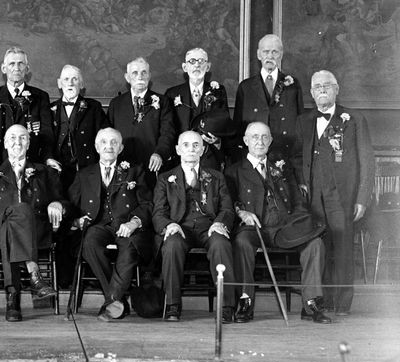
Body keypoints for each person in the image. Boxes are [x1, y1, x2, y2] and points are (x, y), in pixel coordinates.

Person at [225, 122, 331, 324]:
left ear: (271, 141)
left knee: (315, 244)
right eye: (255, 137)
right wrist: (242, 212)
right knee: (241, 243)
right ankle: (245, 301)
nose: (260, 141)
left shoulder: (282, 168)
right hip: (254, 228)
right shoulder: (234, 171)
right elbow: (228, 203)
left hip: (285, 227)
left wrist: (300, 222)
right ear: (246, 141)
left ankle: (311, 304)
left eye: (265, 137)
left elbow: (298, 202)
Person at [293, 70, 374, 315]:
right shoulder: (303, 121)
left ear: (337, 89)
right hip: (313, 197)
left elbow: (367, 161)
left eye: (327, 85)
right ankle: (320, 300)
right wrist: (302, 184)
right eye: (317, 87)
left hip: (343, 196)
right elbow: (297, 157)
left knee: (342, 248)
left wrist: (362, 198)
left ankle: (342, 303)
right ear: (311, 93)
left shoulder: (354, 119)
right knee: (319, 247)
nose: (322, 90)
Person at [0, 124, 65, 322]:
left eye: (23, 138)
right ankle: (35, 275)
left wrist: (57, 203)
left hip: (34, 230)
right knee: (20, 209)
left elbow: (64, 200)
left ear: (29, 143)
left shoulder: (44, 171)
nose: (17, 142)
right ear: (5, 143)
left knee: (12, 228)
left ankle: (12, 299)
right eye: (12, 137)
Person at [68, 127, 153, 321]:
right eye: (104, 142)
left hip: (126, 225)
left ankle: (112, 302)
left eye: (114, 142)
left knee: (129, 247)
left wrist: (134, 222)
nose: (109, 146)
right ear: (97, 147)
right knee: (89, 242)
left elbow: (147, 203)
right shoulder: (84, 174)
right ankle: (116, 299)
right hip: (98, 225)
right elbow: (71, 204)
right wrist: (76, 220)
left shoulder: (135, 171)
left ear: (121, 147)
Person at [152, 130, 236, 323]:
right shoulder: (165, 178)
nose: (191, 149)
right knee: (171, 245)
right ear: (178, 149)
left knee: (221, 244)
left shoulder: (217, 177)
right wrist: (169, 225)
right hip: (181, 228)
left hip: (209, 227)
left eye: (196, 145)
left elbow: (227, 208)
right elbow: (158, 212)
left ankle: (226, 306)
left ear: (203, 150)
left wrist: (219, 223)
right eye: (186, 145)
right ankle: (172, 305)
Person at [0, 47, 54, 173]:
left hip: (31, 164)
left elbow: (46, 132)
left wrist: (48, 158)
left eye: (21, 63)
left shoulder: (40, 97)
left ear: (27, 69)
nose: (16, 68)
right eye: (12, 63)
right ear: (3, 68)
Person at [233, 34, 303, 163]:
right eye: (266, 52)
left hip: (285, 153)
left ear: (281, 55)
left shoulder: (293, 85)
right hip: (255, 155)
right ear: (259, 55)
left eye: (274, 52)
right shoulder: (246, 87)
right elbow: (238, 126)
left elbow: (300, 122)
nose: (270, 56)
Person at [107, 56, 175, 188]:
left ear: (149, 76)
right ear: (127, 77)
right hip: (122, 167)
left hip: (151, 166)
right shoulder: (116, 103)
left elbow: (168, 133)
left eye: (144, 72)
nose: (140, 76)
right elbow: (108, 134)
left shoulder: (163, 102)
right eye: (135, 73)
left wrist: (159, 153)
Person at [49, 64, 107, 191]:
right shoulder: (50, 109)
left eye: (75, 79)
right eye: (66, 79)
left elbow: (105, 137)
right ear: (59, 84)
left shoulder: (94, 107)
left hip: (86, 168)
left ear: (81, 84)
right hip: (58, 169)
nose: (70, 83)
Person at [165, 47, 229, 134]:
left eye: (201, 61)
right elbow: (167, 129)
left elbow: (224, 124)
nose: (197, 65)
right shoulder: (172, 94)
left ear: (208, 67)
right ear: (184, 67)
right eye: (192, 61)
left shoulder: (218, 91)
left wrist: (217, 141)